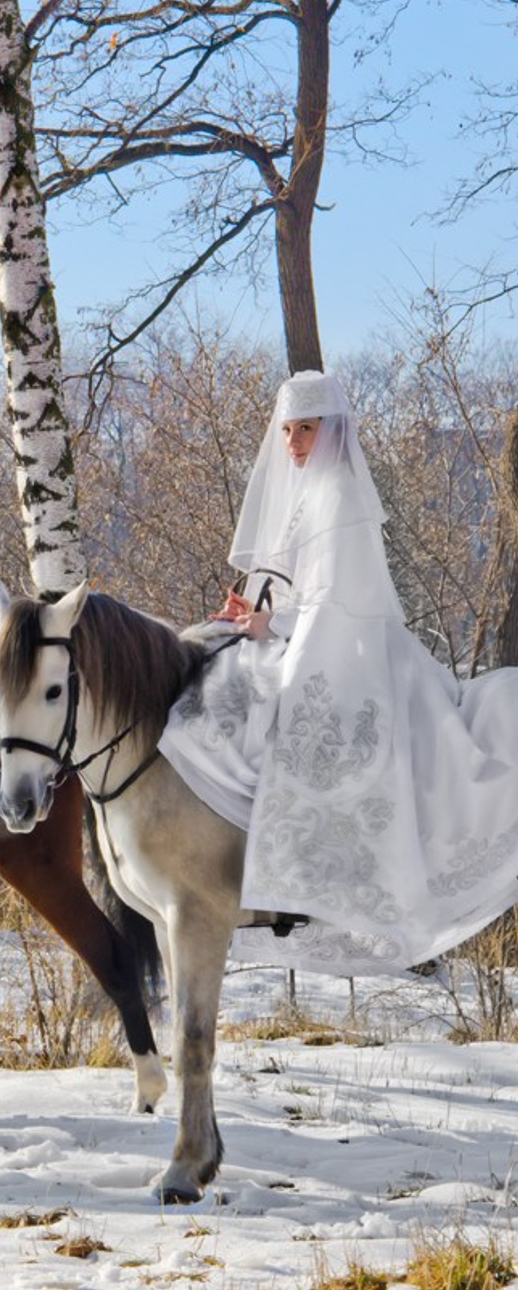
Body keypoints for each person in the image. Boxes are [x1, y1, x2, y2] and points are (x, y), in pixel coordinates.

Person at [159, 368, 518, 974]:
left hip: (349, 649)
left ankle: (301, 888)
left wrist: (270, 627)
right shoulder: (305, 495)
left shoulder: (340, 495)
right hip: (312, 635)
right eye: (288, 430)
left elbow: (338, 603)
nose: (294, 443)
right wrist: (257, 613)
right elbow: (304, 592)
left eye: (306, 430)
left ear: (332, 432)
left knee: (303, 724)